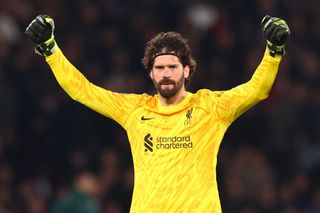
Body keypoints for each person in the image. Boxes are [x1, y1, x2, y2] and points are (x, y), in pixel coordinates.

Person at [25, 14, 290, 212]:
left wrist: (273, 52)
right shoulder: (134, 109)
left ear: (186, 70)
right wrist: (50, 49)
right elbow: (82, 90)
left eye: (173, 66)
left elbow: (257, 90)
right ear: (150, 73)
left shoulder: (211, 107)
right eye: (159, 67)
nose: (166, 73)